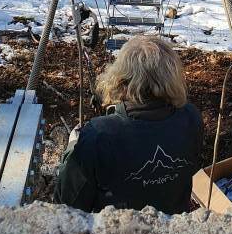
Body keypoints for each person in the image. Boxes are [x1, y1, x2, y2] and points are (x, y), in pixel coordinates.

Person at [54, 34, 203, 214]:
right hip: (172, 230)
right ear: (172, 77)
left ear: (121, 78)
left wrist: (73, 148)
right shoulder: (190, 118)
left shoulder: (97, 136)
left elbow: (66, 208)